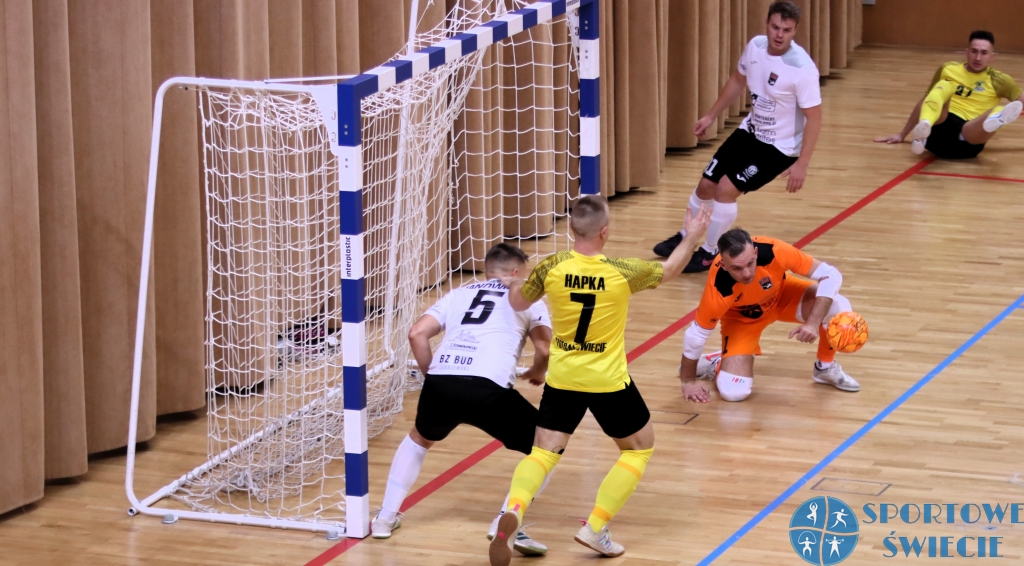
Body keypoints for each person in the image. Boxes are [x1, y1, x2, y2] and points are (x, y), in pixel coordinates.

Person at [487, 196, 712, 566]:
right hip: (607, 380)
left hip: (563, 376)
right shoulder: (623, 270)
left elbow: (517, 303)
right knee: (638, 448)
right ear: (605, 232)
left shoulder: (552, 266)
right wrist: (692, 236)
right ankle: (595, 527)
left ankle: (512, 509)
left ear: (571, 229)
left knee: (543, 451)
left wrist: (517, 281)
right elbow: (670, 269)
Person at [371, 243, 553, 557]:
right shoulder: (527, 295)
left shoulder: (458, 294)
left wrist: (434, 377)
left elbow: (417, 334)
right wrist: (537, 372)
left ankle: (385, 518)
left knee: (419, 439)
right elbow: (545, 350)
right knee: (548, 447)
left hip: (442, 382)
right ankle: (506, 520)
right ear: (514, 273)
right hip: (488, 388)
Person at [652, 1, 822, 273]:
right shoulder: (755, 47)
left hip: (779, 147)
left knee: (725, 190)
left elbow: (815, 118)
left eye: (786, 30)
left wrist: (802, 164)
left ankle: (709, 253)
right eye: (775, 27)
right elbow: (737, 81)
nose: (779, 34)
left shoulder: (802, 69)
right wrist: (711, 116)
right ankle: (687, 237)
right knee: (706, 185)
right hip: (750, 132)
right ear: (767, 23)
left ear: (795, 31)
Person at [678, 228, 860, 404]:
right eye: (737, 268)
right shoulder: (719, 289)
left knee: (837, 306)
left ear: (755, 252)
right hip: (742, 321)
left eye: (750, 263)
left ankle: (825, 368)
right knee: (734, 393)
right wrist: (688, 382)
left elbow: (831, 275)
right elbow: (696, 336)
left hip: (782, 297)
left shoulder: (774, 250)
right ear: (724, 265)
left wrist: (812, 323)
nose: (747, 273)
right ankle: (719, 361)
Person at [875, 30, 1023, 159]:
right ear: (966, 52)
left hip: (969, 138)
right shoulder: (948, 69)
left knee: (999, 111)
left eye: (984, 53)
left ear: (992, 56)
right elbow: (925, 101)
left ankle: (998, 117)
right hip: (938, 131)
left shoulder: (1000, 80)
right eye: (974, 51)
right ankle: (924, 127)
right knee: (943, 87)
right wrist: (902, 134)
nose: (978, 58)